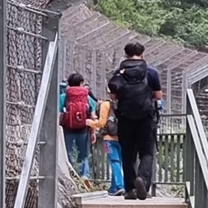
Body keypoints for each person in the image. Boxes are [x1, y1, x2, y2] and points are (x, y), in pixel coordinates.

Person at [107, 40, 162, 199]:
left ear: (126, 54)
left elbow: (113, 96)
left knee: (127, 153)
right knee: (147, 152)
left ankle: (130, 189)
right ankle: (142, 180)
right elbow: (158, 96)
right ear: (142, 54)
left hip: (125, 118)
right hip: (146, 117)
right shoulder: (151, 72)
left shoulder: (119, 72)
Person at [59, 70, 94, 184]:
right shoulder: (87, 97)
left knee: (68, 152)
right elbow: (92, 116)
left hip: (67, 128)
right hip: (83, 128)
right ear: (81, 83)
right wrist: (93, 132)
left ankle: (71, 175)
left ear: (69, 84)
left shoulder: (64, 96)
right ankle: (85, 175)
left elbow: (59, 114)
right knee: (84, 154)